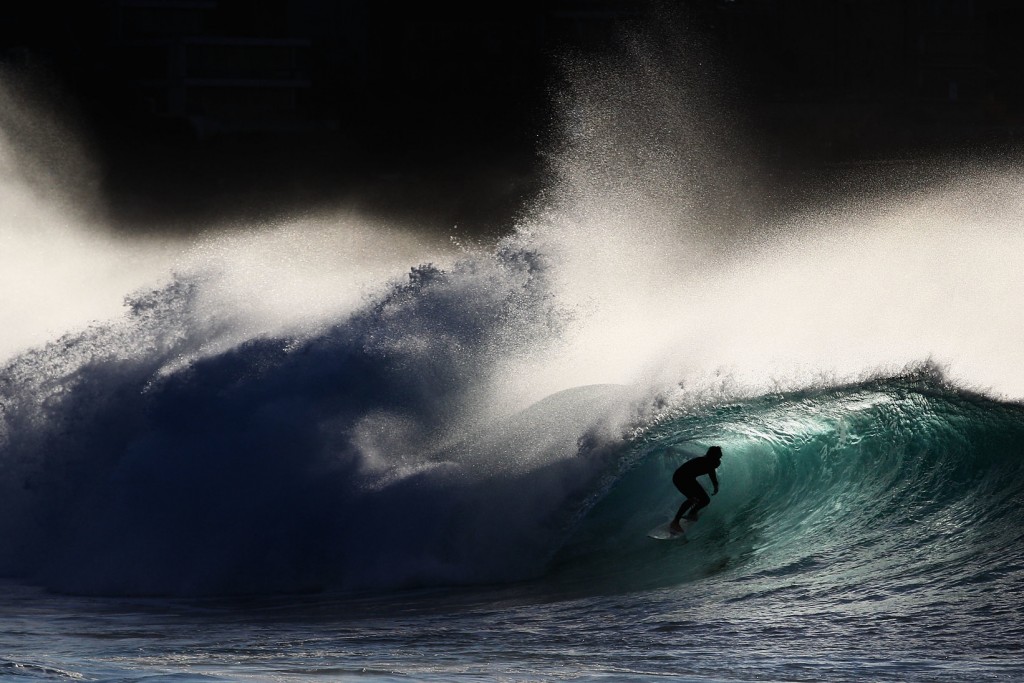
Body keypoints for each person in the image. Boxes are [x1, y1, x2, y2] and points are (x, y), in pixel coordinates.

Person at [669, 446, 722, 533]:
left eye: (720, 454)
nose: (720, 456)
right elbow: (710, 471)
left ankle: (692, 513)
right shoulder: (704, 461)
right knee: (693, 499)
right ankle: (675, 522)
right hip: (680, 478)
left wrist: (715, 485)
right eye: (719, 454)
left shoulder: (713, 462)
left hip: (689, 479)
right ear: (713, 455)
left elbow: (711, 472)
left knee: (705, 500)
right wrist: (714, 485)